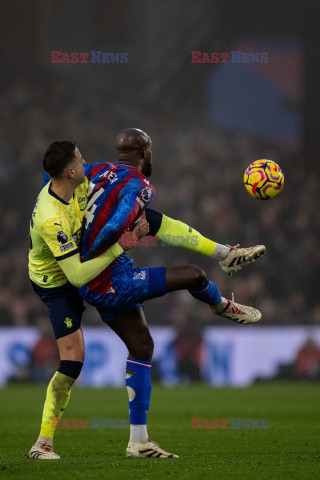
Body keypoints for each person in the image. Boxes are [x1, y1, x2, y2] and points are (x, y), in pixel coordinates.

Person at [76, 128, 265, 458]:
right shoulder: (141, 185)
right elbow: (114, 223)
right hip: (109, 277)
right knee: (194, 276)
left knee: (142, 346)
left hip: (90, 276)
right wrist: (118, 239)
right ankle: (221, 305)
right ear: (146, 152)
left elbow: (70, 199)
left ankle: (138, 441)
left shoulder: (96, 170)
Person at [27, 141, 146, 460]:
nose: (85, 161)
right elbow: (77, 276)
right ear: (69, 171)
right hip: (57, 283)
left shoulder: (68, 188)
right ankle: (42, 444)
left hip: (75, 263)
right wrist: (122, 245)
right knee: (73, 360)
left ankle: (139, 433)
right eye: (80, 159)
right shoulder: (52, 219)